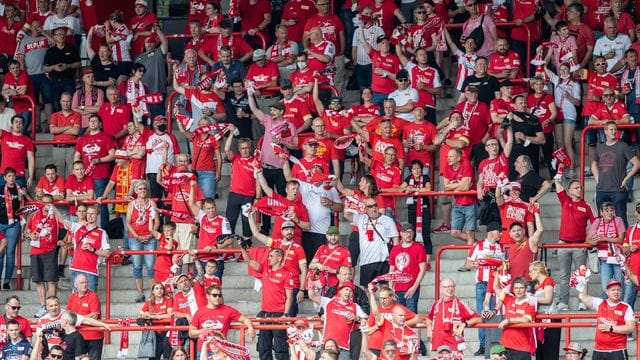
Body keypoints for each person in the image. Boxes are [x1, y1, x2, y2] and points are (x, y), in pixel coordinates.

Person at [240, 246, 293, 360]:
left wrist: (285, 314)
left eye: (271, 256)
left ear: (279, 258)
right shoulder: (265, 268)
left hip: (278, 315)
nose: (268, 258)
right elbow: (248, 260)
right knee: (263, 347)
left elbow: (289, 297)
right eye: (269, 256)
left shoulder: (286, 274)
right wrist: (242, 247)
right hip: (265, 314)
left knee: (281, 348)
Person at [248, 213, 306, 316]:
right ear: (282, 231)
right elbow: (257, 234)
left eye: (291, 229)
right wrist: (250, 218)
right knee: (276, 316)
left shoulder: (298, 248)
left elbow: (304, 270)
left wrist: (302, 290)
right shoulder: (275, 243)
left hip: (293, 285)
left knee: (289, 317)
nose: (289, 231)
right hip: (277, 285)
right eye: (287, 229)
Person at [555, 179, 596, 311]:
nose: (580, 189)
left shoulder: (587, 205)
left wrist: (588, 241)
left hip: (580, 245)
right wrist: (558, 177)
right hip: (563, 244)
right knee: (564, 275)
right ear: (570, 190)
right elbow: (557, 186)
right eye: (576, 187)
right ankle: (563, 303)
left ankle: (583, 301)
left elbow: (596, 225)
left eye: (581, 187)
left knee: (582, 276)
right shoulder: (565, 200)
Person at [465, 222, 504, 355]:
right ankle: (482, 345)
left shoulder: (501, 247)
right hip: (482, 284)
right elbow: (468, 263)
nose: (501, 234)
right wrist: (482, 262)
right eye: (500, 231)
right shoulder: (478, 245)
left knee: (495, 315)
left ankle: (494, 345)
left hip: (497, 286)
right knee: (482, 315)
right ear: (493, 232)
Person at [591, 121, 640, 227]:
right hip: (602, 189)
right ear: (605, 131)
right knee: (602, 219)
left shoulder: (623, 146)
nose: (613, 131)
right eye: (611, 129)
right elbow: (594, 164)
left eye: (615, 129)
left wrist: (626, 179)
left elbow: (636, 163)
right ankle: (605, 241)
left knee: (621, 218)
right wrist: (597, 179)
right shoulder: (600, 147)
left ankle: (624, 243)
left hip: (618, 189)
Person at [343, 197, 398, 288]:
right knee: (368, 288)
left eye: (375, 205)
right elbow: (347, 215)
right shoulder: (361, 218)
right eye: (370, 206)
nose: (374, 208)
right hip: (366, 261)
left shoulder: (387, 220)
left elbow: (395, 240)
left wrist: (395, 258)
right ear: (365, 209)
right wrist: (349, 204)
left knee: (385, 287)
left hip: (383, 260)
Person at [73, 114, 116, 228]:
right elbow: (77, 155)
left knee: (101, 201)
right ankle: (85, 227)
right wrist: (77, 170)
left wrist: (99, 160)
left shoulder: (106, 137)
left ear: (100, 124)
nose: (92, 123)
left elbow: (113, 155)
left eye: (95, 121)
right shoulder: (82, 139)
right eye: (91, 121)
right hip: (85, 175)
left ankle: (104, 229)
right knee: (85, 201)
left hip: (100, 175)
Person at [189, 285, 256, 356]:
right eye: (214, 295)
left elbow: (245, 319)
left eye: (219, 295)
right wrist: (203, 330)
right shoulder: (200, 312)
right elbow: (191, 333)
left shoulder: (228, 310)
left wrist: (250, 327)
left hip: (221, 350)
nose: (217, 297)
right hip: (203, 350)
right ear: (207, 296)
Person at [307, 280, 367, 358]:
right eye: (346, 289)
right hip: (327, 347)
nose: (348, 292)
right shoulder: (328, 302)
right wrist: (310, 280)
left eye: (350, 291)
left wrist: (357, 318)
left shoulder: (355, 306)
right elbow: (312, 296)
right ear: (340, 291)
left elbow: (366, 321)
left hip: (343, 348)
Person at [25, 194, 62, 318]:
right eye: (44, 202)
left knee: (51, 280)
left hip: (50, 250)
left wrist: (62, 241)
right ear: (40, 202)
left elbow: (65, 225)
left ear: (52, 203)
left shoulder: (55, 217)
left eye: (49, 203)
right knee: (39, 280)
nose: (46, 205)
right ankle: (43, 307)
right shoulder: (34, 215)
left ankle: (53, 306)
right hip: (35, 251)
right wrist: (30, 236)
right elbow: (27, 231)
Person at [322, 265, 370, 360]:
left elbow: (366, 311)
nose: (348, 276)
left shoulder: (359, 291)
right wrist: (323, 315)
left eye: (349, 274)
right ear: (338, 276)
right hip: (332, 332)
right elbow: (322, 310)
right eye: (345, 274)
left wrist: (356, 317)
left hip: (354, 331)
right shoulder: (331, 291)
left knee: (352, 357)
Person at [578, 279, 634, 359]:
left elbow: (630, 328)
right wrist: (584, 279)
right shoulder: (600, 303)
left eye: (618, 290)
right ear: (607, 292)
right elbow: (583, 297)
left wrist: (610, 328)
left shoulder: (626, 307)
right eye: (613, 290)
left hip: (618, 349)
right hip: (599, 350)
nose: (616, 292)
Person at [126, 180, 159, 302]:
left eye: (144, 189)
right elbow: (128, 222)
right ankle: (140, 293)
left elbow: (157, 221)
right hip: (135, 238)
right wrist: (137, 236)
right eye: (140, 189)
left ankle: (153, 294)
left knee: (151, 266)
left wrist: (151, 235)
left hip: (149, 238)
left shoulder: (152, 203)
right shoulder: (131, 204)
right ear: (135, 191)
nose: (142, 191)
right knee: (137, 265)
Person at [426, 278, 481, 352]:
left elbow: (478, 319)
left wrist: (464, 324)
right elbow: (429, 318)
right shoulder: (437, 304)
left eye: (452, 286)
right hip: (437, 346)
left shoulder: (460, 304)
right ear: (441, 289)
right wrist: (429, 329)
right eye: (447, 287)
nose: (450, 289)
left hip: (454, 346)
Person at [389, 224, 426, 313]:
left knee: (411, 317)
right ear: (401, 233)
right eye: (406, 232)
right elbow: (391, 270)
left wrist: (414, 287)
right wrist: (391, 288)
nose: (408, 235)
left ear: (413, 233)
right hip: (397, 289)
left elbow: (423, 269)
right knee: (398, 317)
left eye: (410, 232)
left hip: (411, 289)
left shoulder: (419, 248)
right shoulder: (395, 249)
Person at [442, 148, 477, 245]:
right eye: (448, 156)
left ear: (458, 158)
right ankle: (478, 244)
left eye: (451, 156)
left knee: (470, 233)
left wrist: (454, 186)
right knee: (454, 232)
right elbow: (446, 186)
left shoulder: (466, 165)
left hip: (470, 203)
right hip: (457, 204)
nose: (448, 159)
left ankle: (469, 258)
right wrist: (460, 184)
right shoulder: (447, 167)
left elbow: (465, 187)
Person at [497, 276, 536, 359]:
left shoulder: (530, 304)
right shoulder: (509, 299)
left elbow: (526, 320)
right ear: (513, 289)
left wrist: (509, 320)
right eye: (516, 288)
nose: (518, 290)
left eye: (521, 288)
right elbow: (496, 288)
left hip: (521, 348)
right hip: (505, 346)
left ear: (526, 289)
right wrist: (497, 274)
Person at [65, 275, 104, 360]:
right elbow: (67, 315)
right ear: (76, 285)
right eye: (82, 283)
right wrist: (82, 318)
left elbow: (94, 315)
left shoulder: (93, 296)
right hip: (77, 336)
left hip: (93, 336)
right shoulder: (72, 297)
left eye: (86, 282)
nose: (84, 284)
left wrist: (76, 319)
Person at [43, 26, 80, 112]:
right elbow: (45, 68)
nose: (61, 36)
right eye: (59, 34)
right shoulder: (50, 51)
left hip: (69, 80)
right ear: (54, 37)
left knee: (72, 103)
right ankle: (59, 124)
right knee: (56, 104)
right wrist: (54, 67)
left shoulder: (71, 47)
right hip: (54, 81)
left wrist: (68, 66)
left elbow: (79, 63)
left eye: (63, 34)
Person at [529, 261, 560, 360]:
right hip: (541, 319)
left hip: (550, 317)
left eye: (531, 271)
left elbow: (548, 299)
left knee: (550, 349)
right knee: (541, 350)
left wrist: (531, 299)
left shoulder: (548, 280)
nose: (529, 274)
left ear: (537, 271)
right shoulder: (536, 285)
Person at [308, 226, 352, 293]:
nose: (333, 238)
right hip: (319, 285)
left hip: (335, 287)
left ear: (339, 236)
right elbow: (310, 265)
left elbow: (348, 272)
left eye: (335, 235)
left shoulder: (345, 251)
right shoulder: (322, 248)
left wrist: (333, 271)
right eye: (330, 235)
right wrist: (318, 265)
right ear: (326, 236)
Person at [506, 207, 544, 280]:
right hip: (514, 286)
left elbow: (540, 229)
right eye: (514, 231)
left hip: (529, 285)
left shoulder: (530, 242)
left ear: (523, 232)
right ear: (510, 234)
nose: (516, 232)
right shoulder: (510, 249)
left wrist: (536, 212)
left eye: (519, 230)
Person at [0, 116, 34, 187]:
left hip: (19, 175)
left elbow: (31, 159)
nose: (18, 124)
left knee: (19, 198)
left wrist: (31, 176)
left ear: (23, 126)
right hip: (3, 174)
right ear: (12, 124)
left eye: (20, 123)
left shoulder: (27, 140)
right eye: (16, 122)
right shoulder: (4, 135)